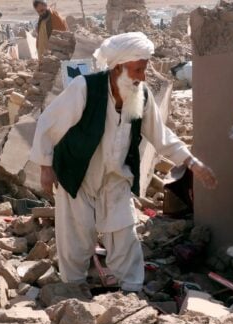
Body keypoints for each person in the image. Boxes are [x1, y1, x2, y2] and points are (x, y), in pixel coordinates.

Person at [29, 32, 217, 294]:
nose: (142, 76)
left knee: (124, 235)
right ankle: (73, 288)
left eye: (144, 69)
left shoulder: (140, 96)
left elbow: (160, 135)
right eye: (138, 69)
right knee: (76, 237)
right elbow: (49, 124)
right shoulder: (85, 88)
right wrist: (46, 167)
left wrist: (192, 162)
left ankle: (131, 290)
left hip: (116, 177)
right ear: (118, 67)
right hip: (78, 174)